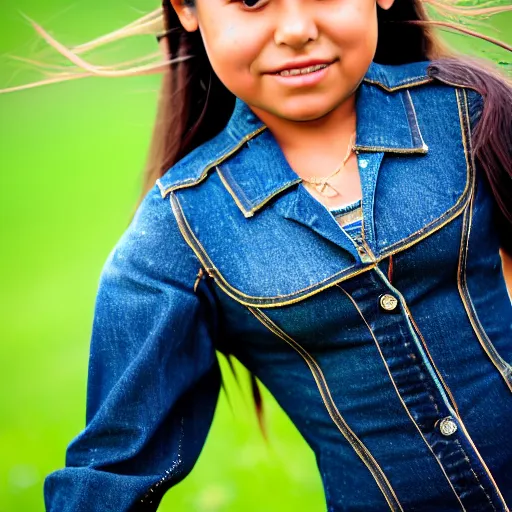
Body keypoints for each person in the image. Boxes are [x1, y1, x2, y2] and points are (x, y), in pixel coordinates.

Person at [9, 0, 509, 510]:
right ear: (186, 8)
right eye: (250, 0)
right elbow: (110, 475)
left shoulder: (471, 112)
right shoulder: (179, 232)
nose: (295, 29)